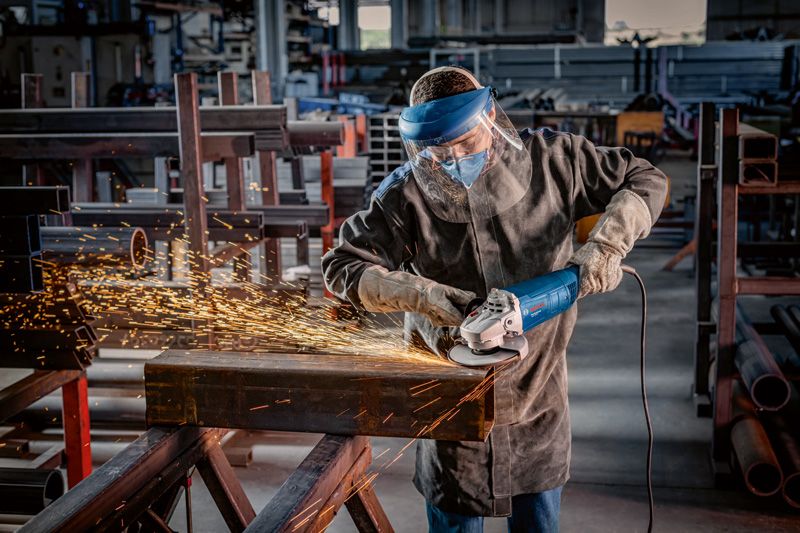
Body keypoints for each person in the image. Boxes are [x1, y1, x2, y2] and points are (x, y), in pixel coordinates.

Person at [322, 66, 667, 532]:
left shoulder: (556, 160)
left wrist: (609, 244)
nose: (455, 158)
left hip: (537, 391)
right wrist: (420, 294)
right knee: (456, 520)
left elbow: (643, 177)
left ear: (490, 119)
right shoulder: (405, 194)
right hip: (450, 396)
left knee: (537, 523)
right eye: (440, 150)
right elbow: (342, 265)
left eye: (466, 142)